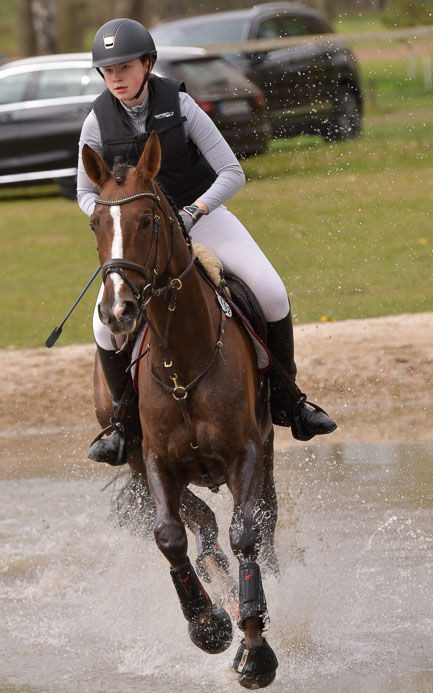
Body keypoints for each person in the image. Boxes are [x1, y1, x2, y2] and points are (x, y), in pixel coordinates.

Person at [77, 17, 337, 465]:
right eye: (108, 70)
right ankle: (123, 425)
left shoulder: (181, 106)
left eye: (125, 67)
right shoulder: (96, 121)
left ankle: (288, 401)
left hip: (202, 218)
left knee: (272, 293)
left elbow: (232, 172)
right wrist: (113, 217)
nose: (116, 77)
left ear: (147, 64)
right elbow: (85, 192)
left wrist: (194, 211)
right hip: (140, 238)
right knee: (104, 326)